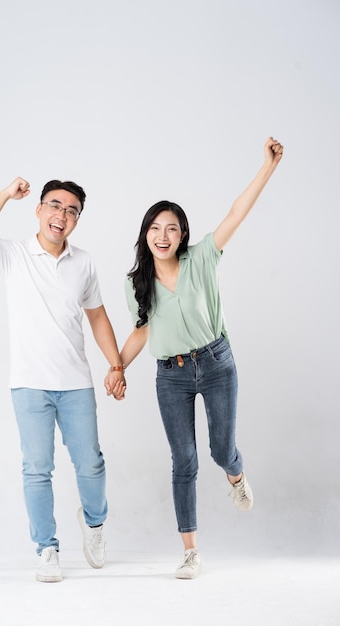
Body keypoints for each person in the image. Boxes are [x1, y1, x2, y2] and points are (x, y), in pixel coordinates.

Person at [107, 137, 284, 579]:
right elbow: (141, 331)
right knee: (183, 461)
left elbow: (236, 213)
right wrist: (117, 367)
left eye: (170, 228)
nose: (162, 236)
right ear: (144, 234)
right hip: (171, 377)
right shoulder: (136, 284)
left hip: (217, 363)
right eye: (154, 228)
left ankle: (237, 476)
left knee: (221, 450)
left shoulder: (203, 257)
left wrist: (267, 167)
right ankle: (190, 551)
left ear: (182, 233)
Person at [0, 177, 126, 583]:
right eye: (55, 206)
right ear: (38, 209)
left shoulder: (83, 262)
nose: (62, 215)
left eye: (71, 211)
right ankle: (47, 549)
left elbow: (98, 316)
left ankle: (95, 524)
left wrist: (117, 365)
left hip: (76, 383)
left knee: (90, 463)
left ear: (77, 220)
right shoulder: (14, 255)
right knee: (37, 468)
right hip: (29, 383)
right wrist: (4, 195)